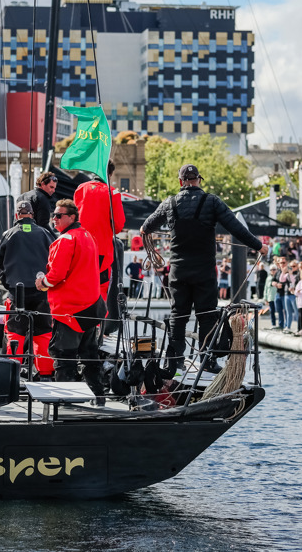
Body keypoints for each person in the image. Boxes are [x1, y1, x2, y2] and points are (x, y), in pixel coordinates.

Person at [140, 164, 267, 373]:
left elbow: (146, 227)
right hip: (204, 272)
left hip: (178, 271)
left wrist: (148, 230)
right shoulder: (212, 201)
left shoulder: (169, 203)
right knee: (206, 316)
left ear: (181, 182)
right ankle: (207, 362)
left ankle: (174, 363)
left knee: (177, 316)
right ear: (199, 180)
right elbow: (236, 228)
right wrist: (259, 246)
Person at [35, 199, 105, 397]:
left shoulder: (65, 240)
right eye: (54, 215)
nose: (54, 219)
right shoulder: (88, 236)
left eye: (59, 215)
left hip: (69, 310)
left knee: (64, 356)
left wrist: (42, 283)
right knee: (89, 354)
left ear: (72, 217)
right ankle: (98, 394)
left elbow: (56, 275)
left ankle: (65, 399)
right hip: (91, 305)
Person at [0, 200, 54, 378]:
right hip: (42, 292)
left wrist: (7, 284)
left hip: (16, 292)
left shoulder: (8, 234)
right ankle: (45, 373)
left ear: (16, 216)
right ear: (32, 215)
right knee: (43, 333)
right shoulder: (45, 233)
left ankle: (12, 372)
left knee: (15, 332)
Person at [73, 160, 127, 306]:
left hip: (79, 247)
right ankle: (97, 326)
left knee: (78, 285)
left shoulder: (81, 189)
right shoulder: (112, 192)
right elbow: (118, 225)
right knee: (99, 289)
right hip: (101, 250)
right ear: (110, 174)